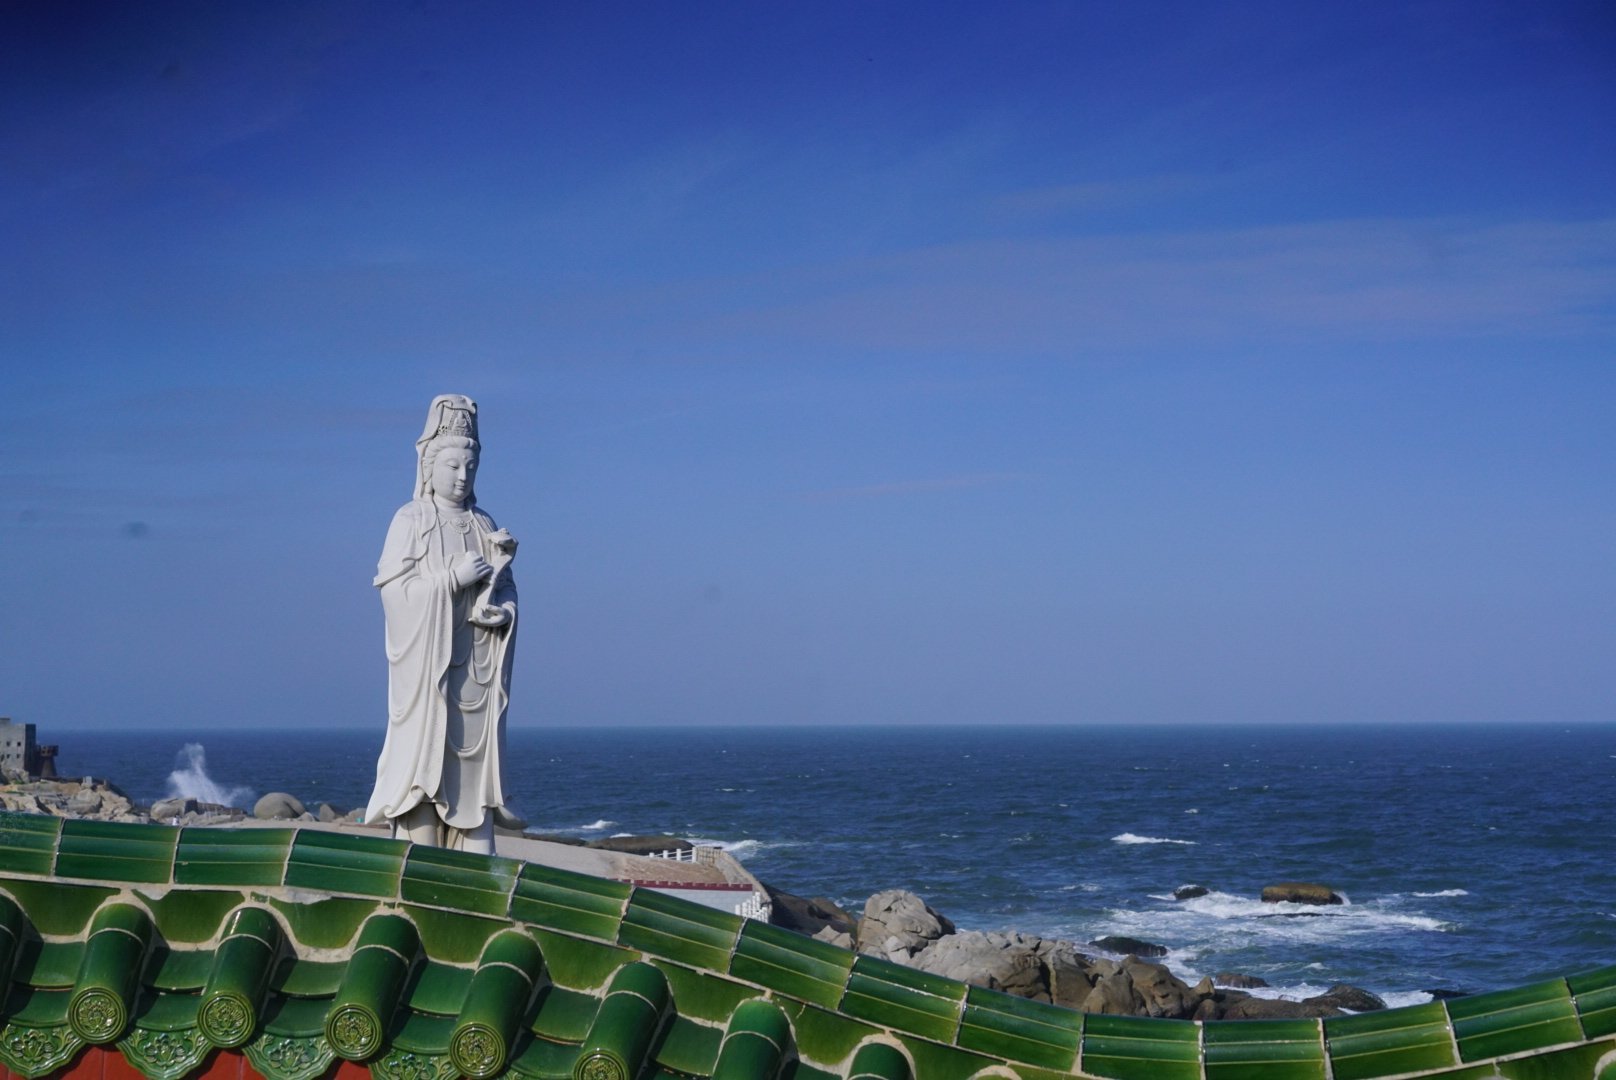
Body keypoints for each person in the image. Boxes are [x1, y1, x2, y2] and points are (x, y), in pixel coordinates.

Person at [364, 394, 523, 852]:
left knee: (474, 793)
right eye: (452, 465)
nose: (462, 476)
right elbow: (394, 594)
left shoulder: (484, 523)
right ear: (429, 465)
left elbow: (506, 590)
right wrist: (451, 580)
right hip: (427, 684)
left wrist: (503, 610)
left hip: (475, 679)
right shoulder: (410, 519)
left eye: (471, 467)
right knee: (422, 786)